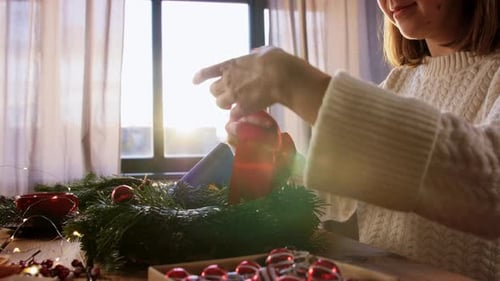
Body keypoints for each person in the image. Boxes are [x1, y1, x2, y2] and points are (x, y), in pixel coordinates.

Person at [193, 0, 500, 280]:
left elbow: (490, 185)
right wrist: (277, 158)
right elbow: (329, 200)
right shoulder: (398, 83)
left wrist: (297, 83)